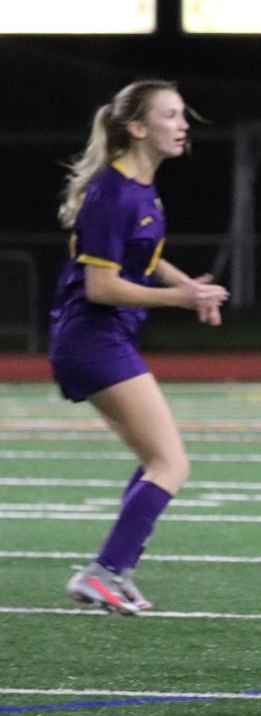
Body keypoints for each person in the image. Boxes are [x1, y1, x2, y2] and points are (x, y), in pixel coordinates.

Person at [50, 80, 229, 614]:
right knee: (171, 464)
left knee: (157, 459)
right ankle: (104, 571)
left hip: (103, 337)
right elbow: (101, 287)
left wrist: (189, 288)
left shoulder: (140, 188)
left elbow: (146, 257)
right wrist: (178, 297)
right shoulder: (113, 193)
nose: (182, 126)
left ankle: (115, 570)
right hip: (92, 338)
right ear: (137, 128)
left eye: (182, 117)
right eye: (170, 116)